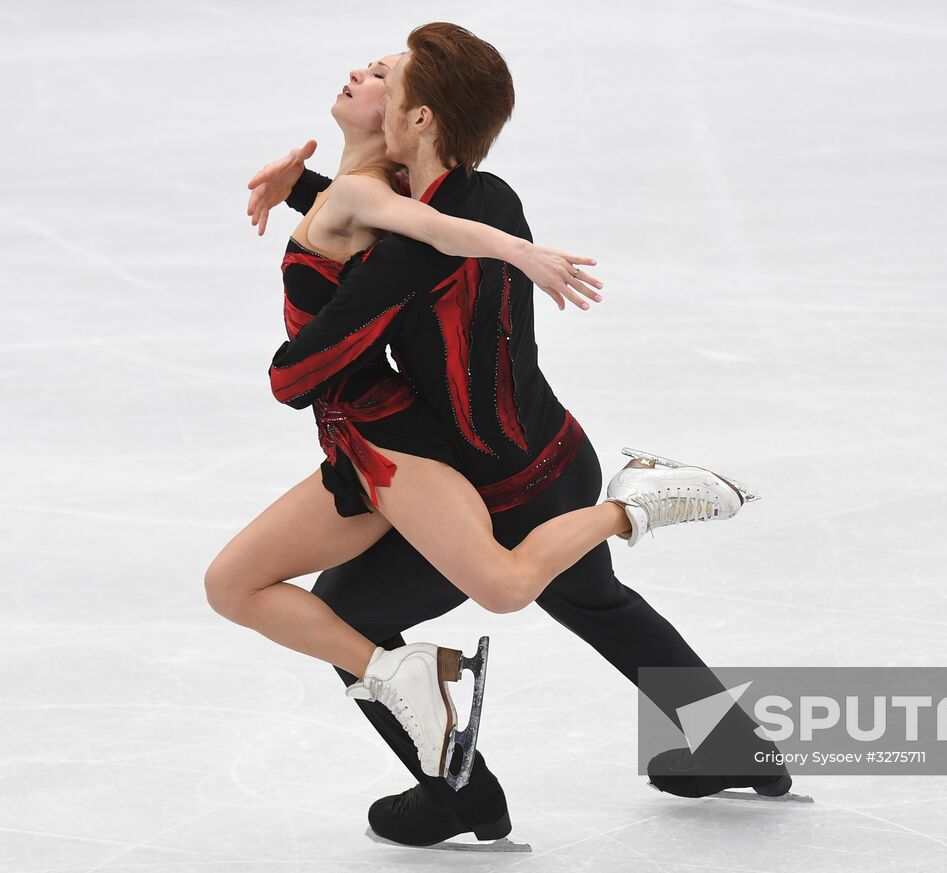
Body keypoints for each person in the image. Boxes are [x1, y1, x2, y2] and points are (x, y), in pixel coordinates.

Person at [246, 23, 787, 848]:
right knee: (598, 601)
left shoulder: (410, 251)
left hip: (490, 489)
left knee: (346, 617)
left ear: (420, 118)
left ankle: (460, 796)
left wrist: (291, 354)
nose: (372, 81)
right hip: (557, 455)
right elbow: (400, 225)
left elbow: (308, 363)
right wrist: (307, 191)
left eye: (392, 80)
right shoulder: (486, 196)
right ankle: (737, 743)